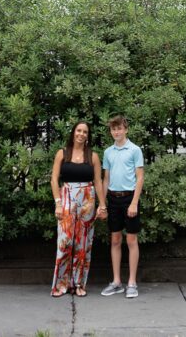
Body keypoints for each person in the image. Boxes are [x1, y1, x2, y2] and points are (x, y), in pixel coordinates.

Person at [50, 120, 107, 297]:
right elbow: (54, 179)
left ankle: (79, 284)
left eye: (85, 132)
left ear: (88, 136)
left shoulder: (93, 156)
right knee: (65, 241)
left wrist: (102, 205)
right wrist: (58, 202)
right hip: (66, 198)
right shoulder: (62, 153)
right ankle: (60, 285)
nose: (81, 134)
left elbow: (98, 181)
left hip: (87, 200)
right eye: (79, 131)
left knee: (83, 244)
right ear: (73, 132)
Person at [100, 115, 144, 299]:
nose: (116, 132)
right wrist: (102, 204)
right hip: (113, 199)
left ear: (126, 129)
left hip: (129, 198)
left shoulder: (134, 150)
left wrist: (134, 202)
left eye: (119, 128)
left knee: (131, 241)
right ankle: (117, 281)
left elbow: (140, 177)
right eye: (113, 129)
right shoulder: (108, 152)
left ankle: (132, 282)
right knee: (116, 240)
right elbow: (106, 179)